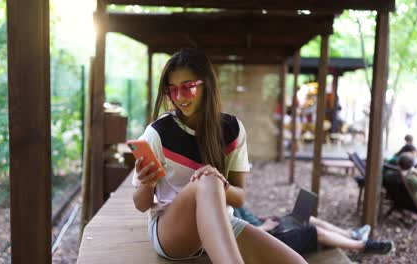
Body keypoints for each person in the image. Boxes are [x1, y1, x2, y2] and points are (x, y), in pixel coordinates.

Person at [131, 48, 306, 264]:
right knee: (207, 179)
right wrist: (146, 184)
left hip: (221, 223)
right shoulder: (158, 133)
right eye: (172, 90)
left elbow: (240, 197)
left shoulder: (232, 130)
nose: (180, 97)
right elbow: (141, 204)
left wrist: (220, 185)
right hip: (171, 232)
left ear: (207, 85)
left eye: (188, 87)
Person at [233, 208, 394, 255]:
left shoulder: (231, 197)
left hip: (266, 229)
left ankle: (352, 234)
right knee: (314, 232)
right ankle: (363, 245)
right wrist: (264, 227)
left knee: (307, 218)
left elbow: (243, 222)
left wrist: (263, 219)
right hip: (264, 240)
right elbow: (234, 236)